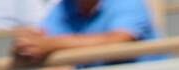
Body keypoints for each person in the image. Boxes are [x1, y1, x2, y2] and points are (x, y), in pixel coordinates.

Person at [11, 0, 157, 65]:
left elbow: (118, 40)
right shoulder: (62, 8)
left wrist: (51, 44)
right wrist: (25, 46)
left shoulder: (126, 2)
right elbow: (38, 43)